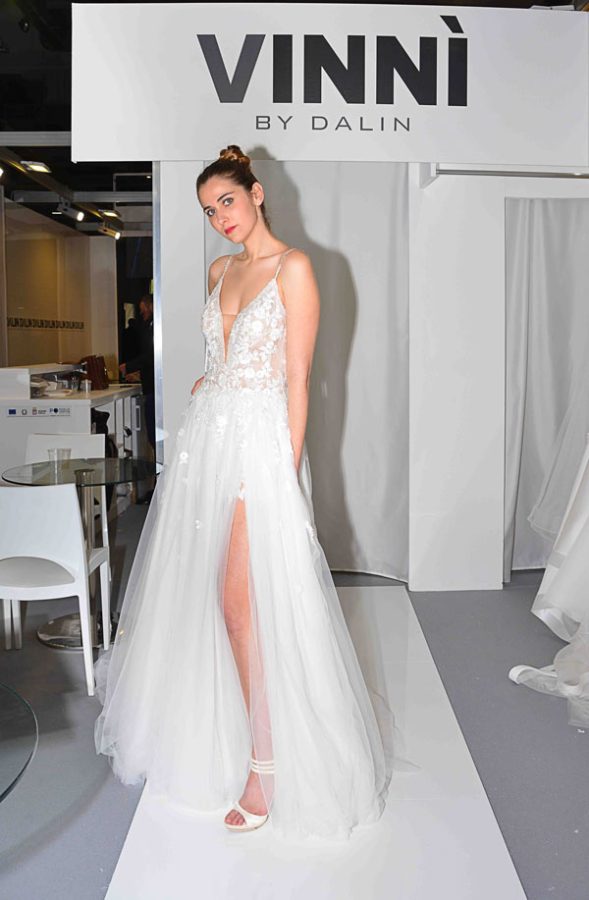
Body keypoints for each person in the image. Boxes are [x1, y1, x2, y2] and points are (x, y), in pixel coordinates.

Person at [94, 145, 391, 840]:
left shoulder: (295, 268)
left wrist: (285, 468)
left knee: (241, 606)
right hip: (208, 437)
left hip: (260, 446)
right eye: (208, 211)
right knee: (204, 596)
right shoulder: (219, 270)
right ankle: (227, 734)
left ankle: (267, 764)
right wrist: (210, 381)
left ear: (256, 194)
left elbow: (299, 378)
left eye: (226, 201)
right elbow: (219, 355)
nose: (219, 218)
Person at [120, 295, 155, 451]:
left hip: (153, 388)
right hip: (150, 385)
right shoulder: (150, 326)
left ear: (151, 306)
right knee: (152, 434)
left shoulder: (153, 327)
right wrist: (139, 373)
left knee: (153, 434)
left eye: (143, 310)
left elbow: (151, 355)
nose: (142, 314)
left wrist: (129, 366)